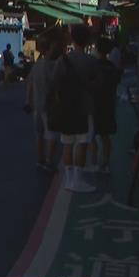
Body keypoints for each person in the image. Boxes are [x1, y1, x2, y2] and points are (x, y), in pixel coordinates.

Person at [49, 24, 100, 192]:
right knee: (82, 143)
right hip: (84, 109)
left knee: (68, 144)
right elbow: (97, 86)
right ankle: (77, 180)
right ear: (88, 40)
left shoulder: (62, 61)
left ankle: (68, 180)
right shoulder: (92, 61)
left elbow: (54, 85)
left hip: (66, 108)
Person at [25, 30, 61, 171]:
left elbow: (30, 84)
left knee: (39, 134)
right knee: (52, 135)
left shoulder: (37, 65)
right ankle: (49, 161)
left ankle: (40, 159)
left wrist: (28, 101)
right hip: (50, 106)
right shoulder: (54, 65)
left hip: (37, 106)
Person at [90, 38, 122, 174]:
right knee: (105, 136)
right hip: (108, 105)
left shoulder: (92, 66)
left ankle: (94, 162)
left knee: (91, 136)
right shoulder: (112, 67)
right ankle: (106, 163)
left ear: (96, 49)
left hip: (93, 105)